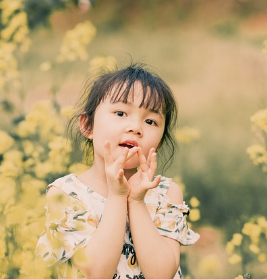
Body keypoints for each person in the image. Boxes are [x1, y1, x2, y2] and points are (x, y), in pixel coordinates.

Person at [35, 63, 200, 279]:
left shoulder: (167, 193)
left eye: (150, 121)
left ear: (158, 143)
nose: (135, 127)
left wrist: (137, 201)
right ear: (88, 126)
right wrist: (118, 195)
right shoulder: (66, 193)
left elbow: (161, 274)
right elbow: (96, 273)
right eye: (121, 113)